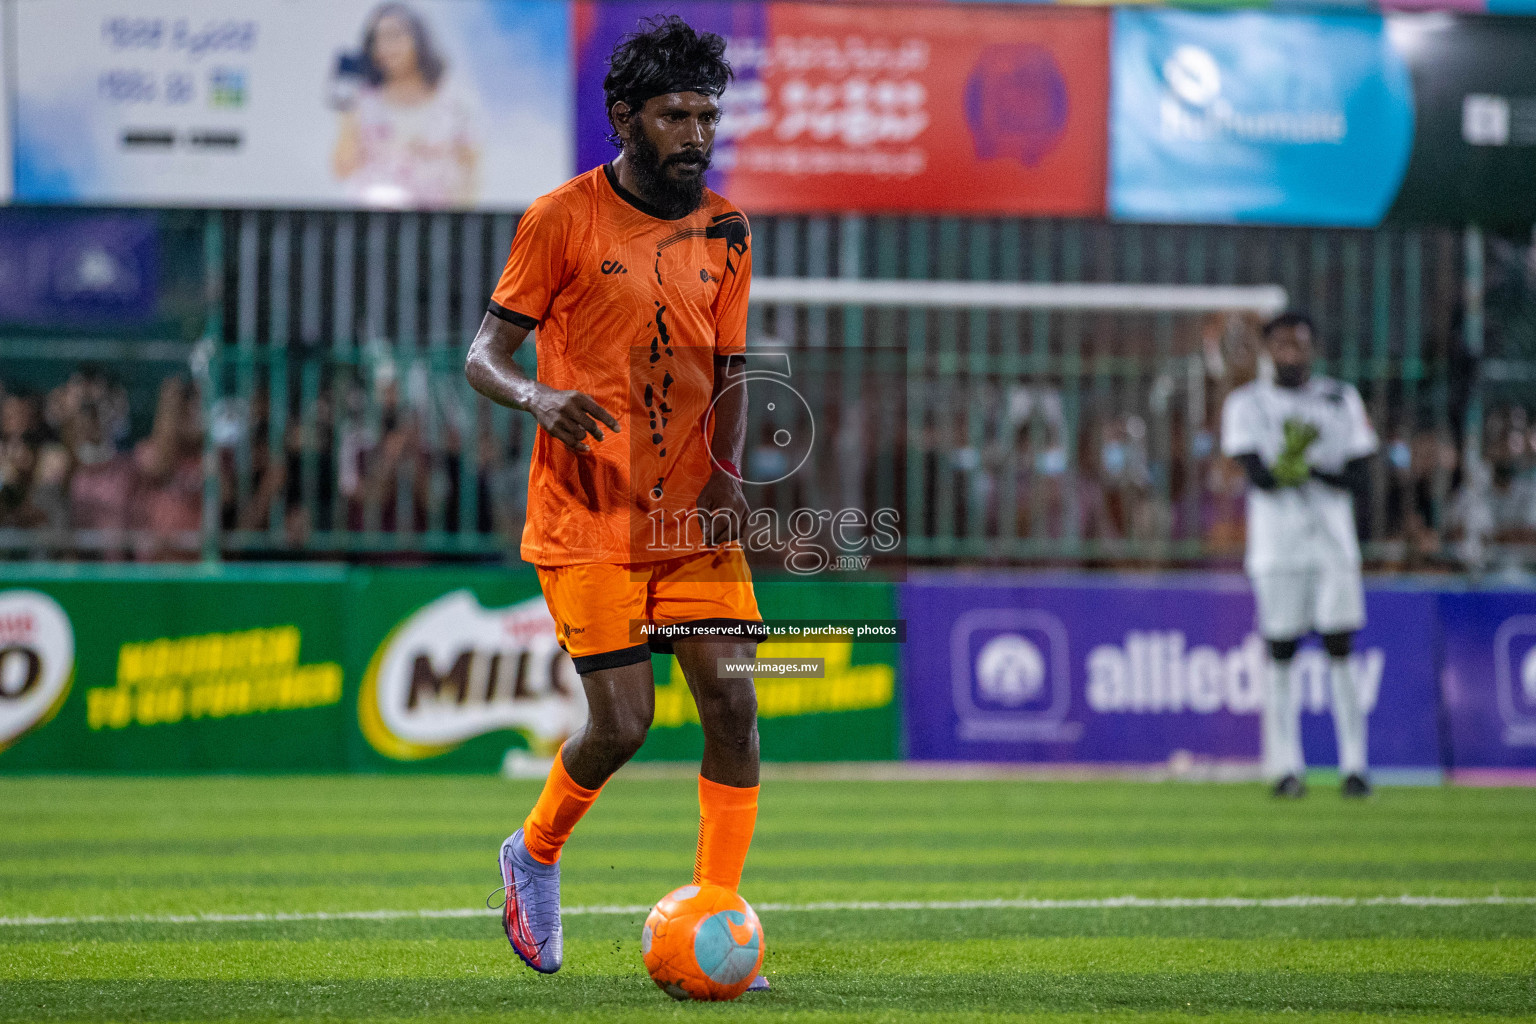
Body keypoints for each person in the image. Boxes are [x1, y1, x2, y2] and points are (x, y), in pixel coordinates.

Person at [464, 17, 766, 984]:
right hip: (587, 516)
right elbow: (482, 356)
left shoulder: (727, 227)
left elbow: (734, 367)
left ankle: (718, 918)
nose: (696, 134)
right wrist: (536, 397)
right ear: (624, 117)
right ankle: (535, 852)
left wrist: (729, 479)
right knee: (623, 725)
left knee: (732, 700)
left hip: (691, 519)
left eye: (708, 115)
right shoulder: (560, 219)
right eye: (676, 114)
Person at [1221, 312, 1378, 799]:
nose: (1293, 354)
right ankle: (1285, 766)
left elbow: (1360, 473)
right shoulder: (1248, 404)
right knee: (1280, 653)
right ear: (1269, 350)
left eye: (1301, 345)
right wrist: (1290, 468)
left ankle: (1355, 766)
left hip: (1333, 544)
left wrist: (1304, 466)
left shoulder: (1340, 398)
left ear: (1313, 348)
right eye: (1284, 345)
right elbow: (1257, 475)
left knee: (1340, 648)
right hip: (1277, 547)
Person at [331, 2, 480, 208]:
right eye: (377, 39)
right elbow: (343, 169)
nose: (385, 47)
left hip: (434, 221)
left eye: (394, 35)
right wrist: (346, 108)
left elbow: (471, 167)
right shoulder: (364, 101)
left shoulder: (453, 100)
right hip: (373, 219)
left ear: (418, 39)